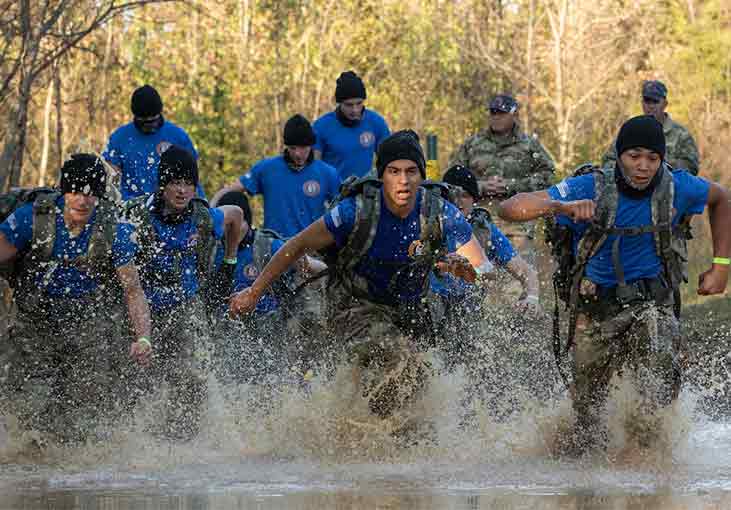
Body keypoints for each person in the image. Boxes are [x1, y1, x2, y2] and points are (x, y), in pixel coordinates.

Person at [230, 130, 493, 438]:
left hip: (410, 308)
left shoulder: (440, 212)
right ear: (382, 176)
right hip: (355, 304)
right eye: (394, 172)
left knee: (419, 381)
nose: (404, 181)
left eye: (411, 172)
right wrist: (254, 291)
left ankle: (379, 440)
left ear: (422, 176)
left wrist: (465, 271)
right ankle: (370, 436)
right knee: (395, 359)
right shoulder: (355, 211)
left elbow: (483, 267)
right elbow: (296, 245)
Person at [498, 115, 731, 454]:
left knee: (657, 376)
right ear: (619, 156)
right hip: (595, 313)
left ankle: (648, 461)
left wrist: (721, 266)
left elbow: (722, 197)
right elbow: (509, 208)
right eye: (634, 155)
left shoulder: (677, 187)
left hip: (651, 304)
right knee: (587, 420)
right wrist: (557, 206)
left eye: (652, 158)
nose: (643, 166)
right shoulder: (589, 188)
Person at [0, 154, 152, 445]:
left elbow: (132, 290)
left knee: (86, 410)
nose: (82, 201)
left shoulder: (112, 229)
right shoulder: (32, 218)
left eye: (89, 194)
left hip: (88, 322)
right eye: (75, 192)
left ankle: (73, 471)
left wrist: (143, 338)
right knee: (28, 407)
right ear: (63, 191)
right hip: (34, 322)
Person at [124, 145, 243, 440]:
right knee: (134, 378)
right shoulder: (136, 216)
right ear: (162, 185)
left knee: (194, 376)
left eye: (188, 183)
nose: (182, 191)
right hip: (144, 308)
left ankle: (183, 441)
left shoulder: (203, 217)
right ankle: (138, 439)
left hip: (186, 306)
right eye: (175, 183)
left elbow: (236, 215)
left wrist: (229, 262)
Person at [209, 189, 327, 384]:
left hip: (270, 329)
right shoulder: (213, 250)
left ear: (246, 222)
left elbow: (317, 267)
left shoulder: (267, 246)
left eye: (237, 225)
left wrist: (310, 266)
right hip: (228, 331)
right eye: (226, 226)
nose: (232, 232)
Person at [448, 94, 555, 264]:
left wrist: (511, 186)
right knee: (477, 275)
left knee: (520, 279)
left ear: (514, 114)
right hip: (478, 219)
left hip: (518, 220)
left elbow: (548, 176)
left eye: (501, 112)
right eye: (493, 112)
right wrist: (479, 186)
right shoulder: (472, 144)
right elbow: (452, 177)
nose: (496, 117)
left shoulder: (529, 145)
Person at [211, 114, 341, 238]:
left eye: (303, 148)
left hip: (312, 248)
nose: (298, 154)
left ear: (311, 146)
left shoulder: (327, 173)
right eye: (293, 148)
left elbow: (343, 207)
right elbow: (232, 189)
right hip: (274, 248)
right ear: (286, 146)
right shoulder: (267, 168)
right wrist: (211, 211)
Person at [439, 164, 541, 313]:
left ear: (474, 200)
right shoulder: (430, 223)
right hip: (433, 304)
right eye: (454, 195)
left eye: (465, 195)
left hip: (469, 309)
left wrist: (532, 298)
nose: (459, 201)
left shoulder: (484, 229)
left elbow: (525, 271)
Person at [103, 84, 205, 201]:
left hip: (173, 205)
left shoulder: (177, 136)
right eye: (143, 121)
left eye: (152, 120)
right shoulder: (119, 138)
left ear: (160, 113)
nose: (149, 125)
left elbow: (192, 175)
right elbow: (111, 180)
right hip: (133, 207)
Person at [602, 80, 700, 175]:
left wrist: (661, 166)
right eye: (647, 101)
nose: (651, 106)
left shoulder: (681, 135)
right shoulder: (631, 130)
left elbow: (691, 167)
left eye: (655, 101)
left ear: (665, 104)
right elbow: (609, 160)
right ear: (642, 103)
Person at [313, 70, 391, 180]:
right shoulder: (321, 127)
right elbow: (314, 169)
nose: (355, 110)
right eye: (349, 105)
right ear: (339, 103)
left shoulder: (376, 123)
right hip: (334, 194)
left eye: (359, 103)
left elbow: (389, 161)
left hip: (365, 192)